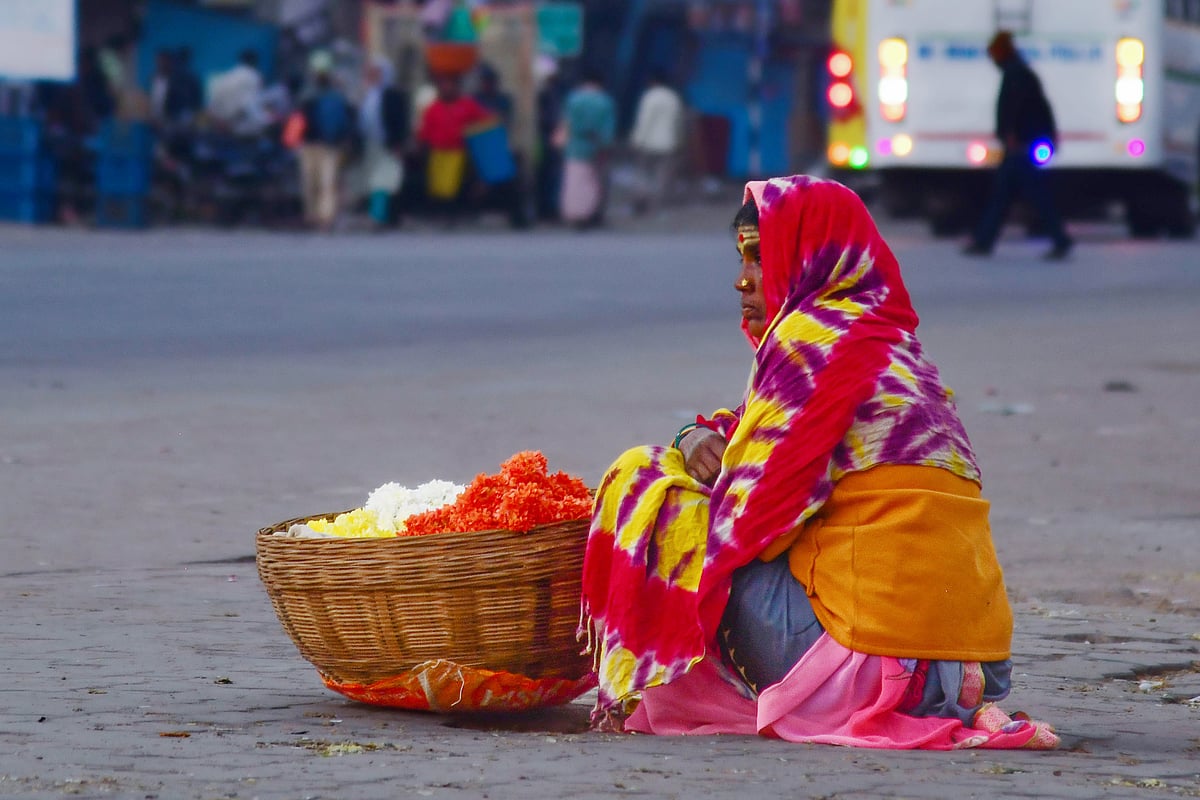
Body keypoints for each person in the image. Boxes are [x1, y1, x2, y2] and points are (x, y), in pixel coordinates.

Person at [579, 175, 1059, 750]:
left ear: (806, 258)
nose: (742, 281)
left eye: (761, 257)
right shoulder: (893, 346)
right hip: (966, 670)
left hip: (875, 661)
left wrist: (672, 470)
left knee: (645, 484)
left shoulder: (809, 339)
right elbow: (748, 435)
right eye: (741, 260)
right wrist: (691, 438)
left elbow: (749, 521)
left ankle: (703, 687)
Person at [964, 31, 1073, 260]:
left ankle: (1059, 239)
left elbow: (1016, 108)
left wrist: (1012, 134)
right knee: (1006, 196)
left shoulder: (1015, 75)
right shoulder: (1021, 72)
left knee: (1024, 197)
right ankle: (985, 240)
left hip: (1020, 148)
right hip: (1022, 146)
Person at [415, 71, 492, 218]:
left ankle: (455, 212)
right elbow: (425, 131)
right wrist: (420, 145)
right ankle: (439, 213)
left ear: (457, 87)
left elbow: (484, 119)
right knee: (437, 185)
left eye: (450, 85)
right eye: (443, 85)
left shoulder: (467, 104)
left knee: (455, 183)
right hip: (438, 152)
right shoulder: (434, 107)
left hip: (458, 152)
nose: (446, 88)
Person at [298, 55, 354, 230]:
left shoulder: (330, 96)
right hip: (317, 144)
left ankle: (322, 217)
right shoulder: (312, 95)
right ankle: (316, 217)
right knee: (316, 182)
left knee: (323, 182)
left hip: (324, 145)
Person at [559, 70, 615, 228]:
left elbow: (566, 123)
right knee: (592, 181)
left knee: (574, 181)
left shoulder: (573, 99)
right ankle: (588, 213)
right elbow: (607, 129)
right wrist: (605, 147)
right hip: (595, 146)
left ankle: (573, 213)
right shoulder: (605, 101)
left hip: (574, 146)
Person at [358, 54, 409, 226]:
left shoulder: (393, 95)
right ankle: (377, 214)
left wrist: (398, 143)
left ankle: (380, 216)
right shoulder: (369, 95)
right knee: (374, 182)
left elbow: (399, 122)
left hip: (388, 145)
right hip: (370, 145)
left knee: (386, 181)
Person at [629, 70, 684, 214]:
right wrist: (678, 141)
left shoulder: (649, 97)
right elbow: (678, 123)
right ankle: (656, 206)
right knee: (662, 176)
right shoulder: (673, 98)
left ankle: (641, 201)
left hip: (648, 142)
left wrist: (637, 140)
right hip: (668, 143)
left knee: (644, 173)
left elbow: (644, 121)